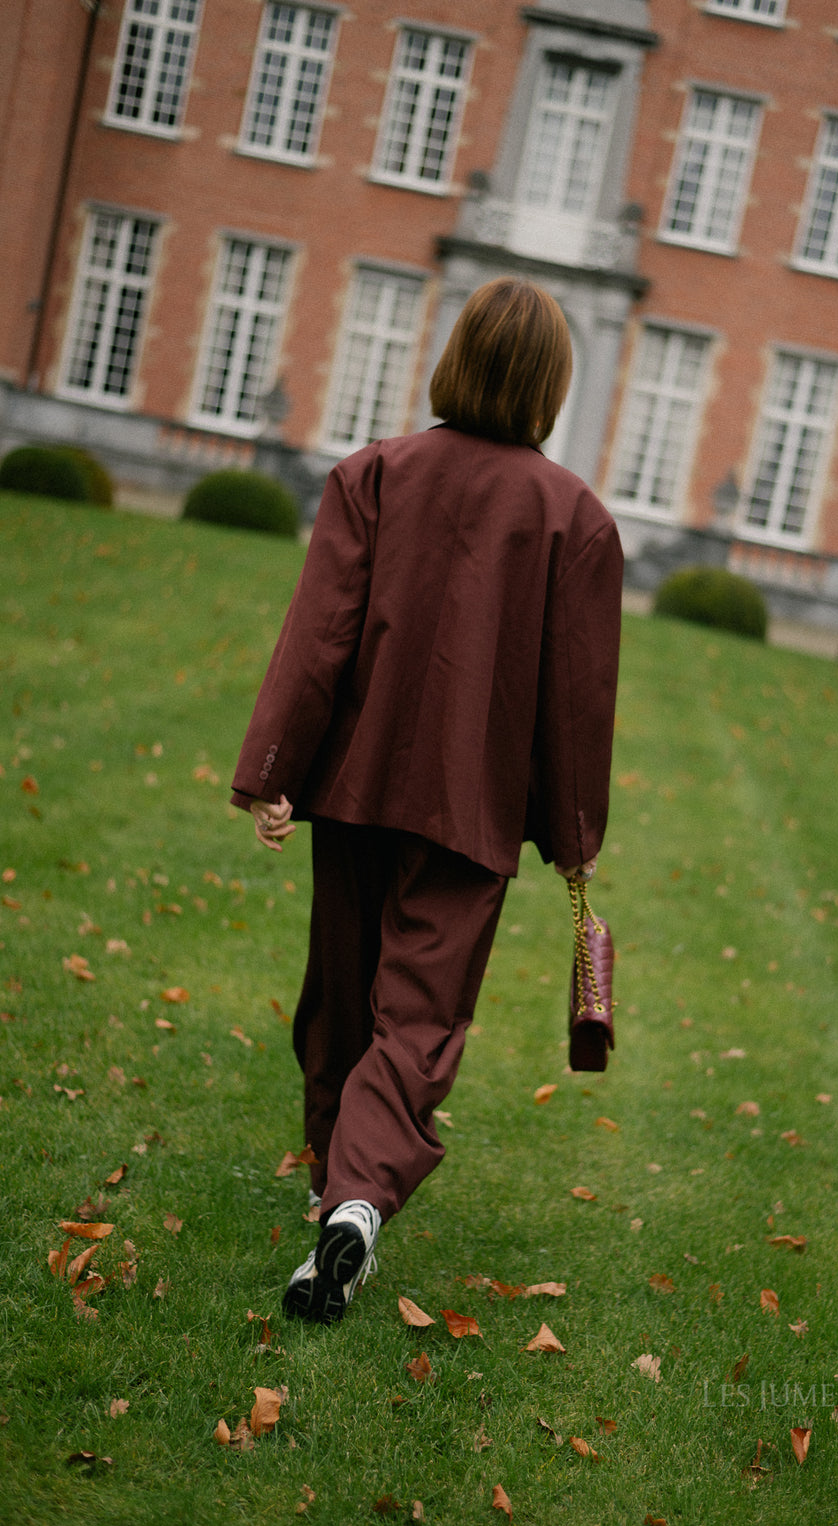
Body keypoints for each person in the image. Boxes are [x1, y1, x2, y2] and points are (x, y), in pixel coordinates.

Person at [230, 276, 622, 1324]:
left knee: (341, 996)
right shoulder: (574, 518)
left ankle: (338, 1194)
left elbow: (319, 635)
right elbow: (575, 701)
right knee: (417, 1014)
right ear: (551, 385)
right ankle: (355, 1200)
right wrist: (574, 832)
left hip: (358, 784)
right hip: (473, 811)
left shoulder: (374, 474)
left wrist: (274, 772)